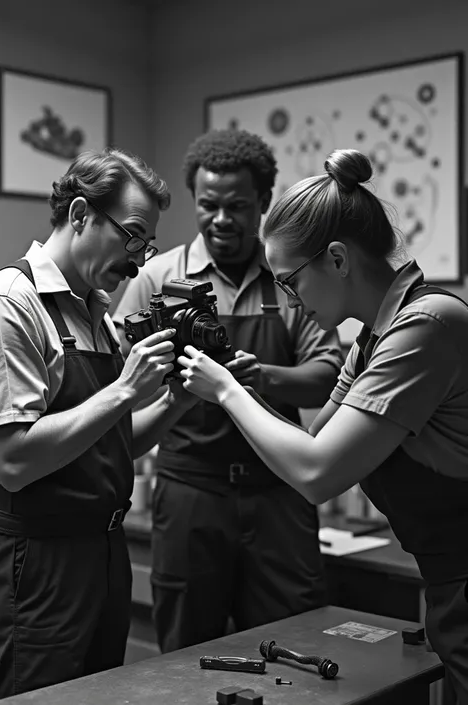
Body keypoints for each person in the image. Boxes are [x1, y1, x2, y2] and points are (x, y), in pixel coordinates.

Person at [178, 148, 468, 703]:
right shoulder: (372, 338)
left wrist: (227, 390)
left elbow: (316, 475)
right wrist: (236, 390)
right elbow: (309, 448)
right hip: (448, 579)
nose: (291, 301)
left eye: (291, 282)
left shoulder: (427, 326)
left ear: (336, 259)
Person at [113, 128, 344, 653]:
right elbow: (123, 375)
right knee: (185, 650)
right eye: (208, 205)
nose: (221, 219)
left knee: (299, 641)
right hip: (191, 492)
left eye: (237, 206)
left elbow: (330, 373)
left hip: (278, 492)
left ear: (263, 203)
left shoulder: (291, 275)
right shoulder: (156, 275)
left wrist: (261, 377)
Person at [0, 148, 197, 699]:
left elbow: (111, 445)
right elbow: (13, 463)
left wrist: (176, 402)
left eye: (146, 244)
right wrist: (126, 389)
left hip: (104, 553)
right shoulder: (14, 305)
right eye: (131, 235)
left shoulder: (96, 309)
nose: (137, 260)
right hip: (40, 561)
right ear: (81, 214)